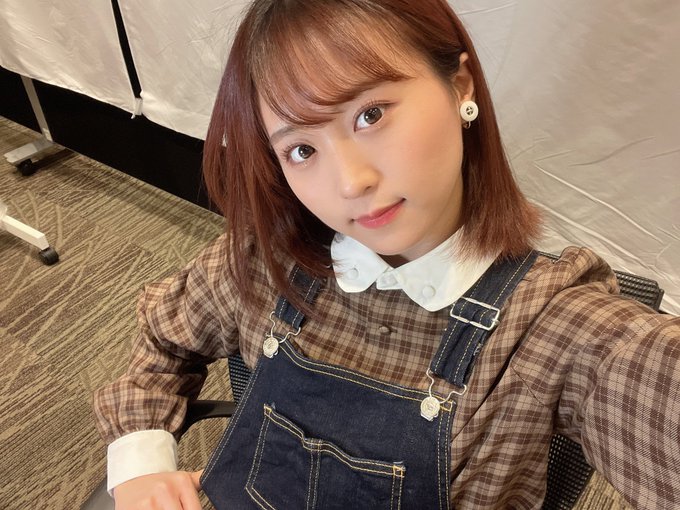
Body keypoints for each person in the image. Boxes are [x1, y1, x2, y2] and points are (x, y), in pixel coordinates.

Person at [94, 0, 680, 508]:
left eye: (370, 114)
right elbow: (164, 338)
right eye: (302, 150)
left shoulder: (553, 328)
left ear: (460, 86)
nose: (351, 182)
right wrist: (140, 463)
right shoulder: (263, 261)